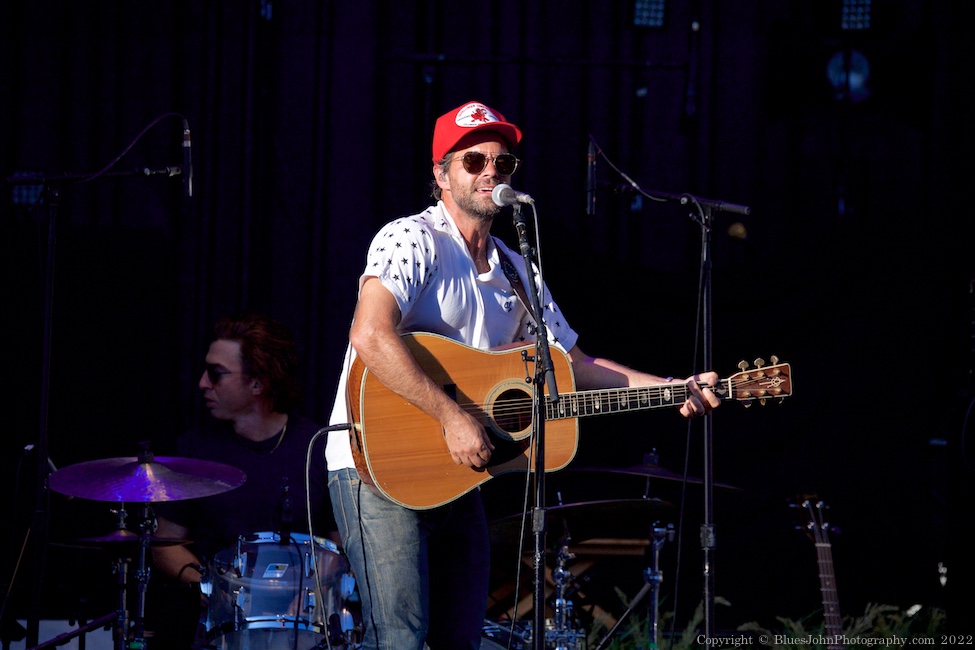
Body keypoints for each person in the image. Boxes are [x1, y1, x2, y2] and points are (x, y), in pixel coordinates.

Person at [324, 100, 722, 650]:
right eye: (473, 161)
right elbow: (370, 335)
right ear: (441, 173)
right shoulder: (411, 238)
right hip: (374, 460)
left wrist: (674, 388)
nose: (490, 171)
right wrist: (449, 415)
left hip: (456, 473)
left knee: (458, 640)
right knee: (399, 638)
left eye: (503, 164)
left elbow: (574, 365)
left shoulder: (516, 267)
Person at [148, 313, 340, 649]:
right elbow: (165, 545)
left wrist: (315, 591)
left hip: (303, 624)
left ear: (258, 383)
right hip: (219, 627)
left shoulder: (317, 446)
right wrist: (211, 587)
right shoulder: (194, 450)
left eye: (217, 374)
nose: (203, 383)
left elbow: (340, 546)